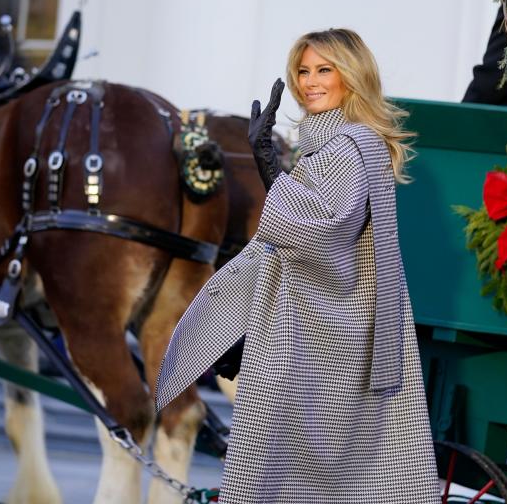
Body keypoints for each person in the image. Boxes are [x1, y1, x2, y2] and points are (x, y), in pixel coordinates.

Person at [155, 29, 439, 502]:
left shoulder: (350, 146)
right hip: (306, 323)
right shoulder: (329, 144)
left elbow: (322, 231)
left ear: (352, 76)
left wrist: (269, 168)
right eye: (303, 71)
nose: (310, 82)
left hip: (324, 341)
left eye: (324, 70)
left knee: (283, 467)